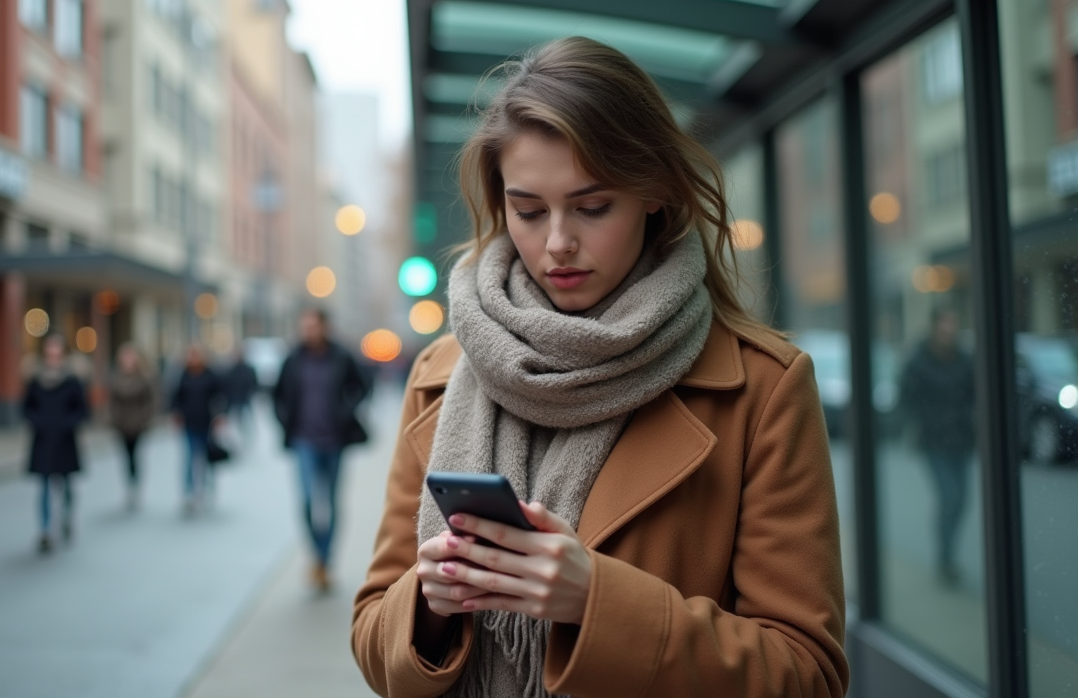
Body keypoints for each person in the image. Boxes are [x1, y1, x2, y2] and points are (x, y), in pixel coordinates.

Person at [352, 38, 849, 698]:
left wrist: (598, 603)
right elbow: (371, 631)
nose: (557, 242)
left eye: (592, 207)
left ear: (654, 194)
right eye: (528, 210)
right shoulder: (440, 373)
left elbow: (806, 673)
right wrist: (430, 603)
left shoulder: (762, 388)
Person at [272, 308, 370, 591]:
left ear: (325, 327)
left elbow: (363, 385)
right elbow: (277, 395)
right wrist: (284, 421)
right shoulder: (293, 359)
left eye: (312, 326)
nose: (307, 331)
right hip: (303, 440)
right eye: (304, 326)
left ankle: (324, 560)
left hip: (335, 441)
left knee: (331, 503)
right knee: (305, 501)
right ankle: (317, 554)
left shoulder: (342, 355)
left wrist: (346, 411)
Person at [898, 307, 975, 586]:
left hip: (961, 439)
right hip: (934, 441)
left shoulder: (964, 358)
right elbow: (906, 396)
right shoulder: (919, 359)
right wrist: (925, 420)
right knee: (950, 497)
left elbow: (975, 393)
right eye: (944, 323)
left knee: (961, 500)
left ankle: (947, 556)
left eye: (952, 323)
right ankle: (946, 560)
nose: (949, 329)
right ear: (934, 327)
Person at [23, 333, 89, 553]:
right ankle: (45, 530)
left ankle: (67, 517)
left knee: (67, 483)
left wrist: (67, 424)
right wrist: (37, 422)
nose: (53, 356)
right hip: (43, 440)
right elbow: (26, 407)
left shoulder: (72, 380)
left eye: (57, 352)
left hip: (65, 440)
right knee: (43, 486)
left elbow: (82, 409)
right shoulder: (36, 379)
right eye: (49, 351)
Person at [170, 344, 225, 515]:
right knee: (189, 458)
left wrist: (219, 416)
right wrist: (176, 415)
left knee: (207, 459)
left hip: (207, 423)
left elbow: (219, 396)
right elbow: (176, 397)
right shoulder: (183, 376)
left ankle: (208, 490)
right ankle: (190, 493)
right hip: (189, 423)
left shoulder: (210, 375)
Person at [108, 342, 156, 511]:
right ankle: (129, 484)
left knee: (135, 455)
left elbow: (151, 401)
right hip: (122, 424)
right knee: (126, 456)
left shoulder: (144, 377)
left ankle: (135, 484)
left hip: (138, 424)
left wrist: (145, 419)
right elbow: (112, 401)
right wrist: (112, 419)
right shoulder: (116, 377)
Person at [222, 348, 259, 444]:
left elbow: (253, 384)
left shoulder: (247, 370)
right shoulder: (232, 371)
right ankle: (240, 440)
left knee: (246, 422)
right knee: (237, 423)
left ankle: (247, 439)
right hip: (236, 400)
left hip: (244, 399)